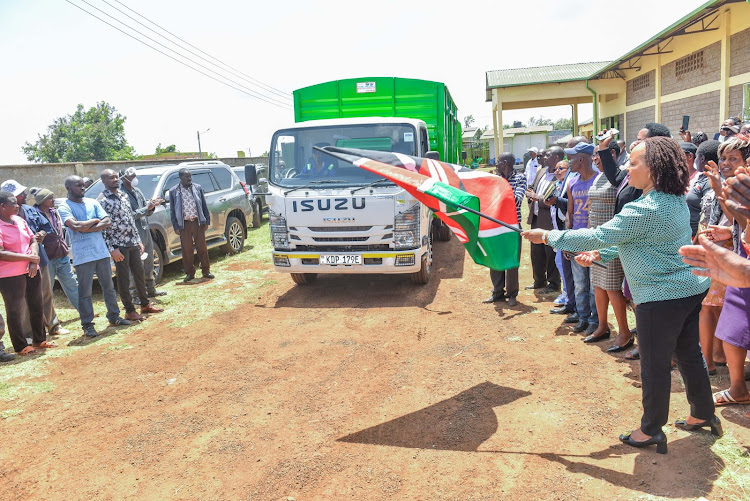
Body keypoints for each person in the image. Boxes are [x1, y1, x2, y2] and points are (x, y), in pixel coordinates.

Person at [522, 136, 719, 454]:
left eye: (634, 162)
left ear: (653, 169)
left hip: (661, 296)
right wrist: (600, 254)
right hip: (687, 290)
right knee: (688, 353)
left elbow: (598, 233)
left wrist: (547, 235)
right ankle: (703, 414)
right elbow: (636, 241)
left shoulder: (646, 208)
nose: (627, 166)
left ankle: (651, 429)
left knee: (654, 365)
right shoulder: (672, 200)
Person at [706, 135, 750, 406]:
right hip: (739, 262)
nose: (726, 163)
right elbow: (737, 219)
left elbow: (739, 217)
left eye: (733, 158)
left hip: (742, 260)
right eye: (724, 158)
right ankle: (737, 389)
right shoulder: (733, 187)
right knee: (732, 329)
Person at [58, 176, 131, 338]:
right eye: (78, 185)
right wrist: (94, 222)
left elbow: (107, 222)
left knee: (109, 287)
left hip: (101, 252)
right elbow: (75, 226)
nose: (83, 188)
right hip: (83, 256)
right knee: (85, 292)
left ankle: (114, 317)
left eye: (83, 185)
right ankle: (88, 325)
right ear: (68, 188)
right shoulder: (64, 207)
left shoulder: (93, 202)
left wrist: (86, 226)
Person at [0, 180, 67, 337]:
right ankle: (29, 334)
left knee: (44, 294)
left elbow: (45, 227)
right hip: (16, 267)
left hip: (38, 260)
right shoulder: (6, 219)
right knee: (22, 302)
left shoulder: (30, 210)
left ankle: (53, 325)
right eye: (20, 194)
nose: (24, 195)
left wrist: (41, 235)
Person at [97, 170, 164, 321]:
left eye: (115, 177)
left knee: (139, 274)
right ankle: (129, 310)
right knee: (124, 278)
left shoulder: (123, 195)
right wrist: (111, 249)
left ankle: (145, 304)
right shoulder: (102, 201)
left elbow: (129, 219)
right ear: (104, 181)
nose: (115, 179)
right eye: (111, 178)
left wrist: (138, 240)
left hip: (132, 242)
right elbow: (104, 228)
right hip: (119, 245)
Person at [586, 144, 631, 350]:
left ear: (613, 154)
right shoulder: (598, 177)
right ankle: (603, 326)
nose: (595, 158)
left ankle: (624, 332)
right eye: (594, 155)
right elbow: (591, 208)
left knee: (612, 286)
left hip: (612, 237)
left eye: (599, 154)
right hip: (596, 238)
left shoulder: (620, 176)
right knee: (597, 284)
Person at [0, 190, 53, 356]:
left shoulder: (19, 220)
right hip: (10, 275)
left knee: (36, 303)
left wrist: (33, 259)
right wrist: (27, 257)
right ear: (2, 206)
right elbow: (1, 253)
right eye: (13, 203)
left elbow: (32, 239)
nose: (17, 205)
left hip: (31, 269)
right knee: (15, 309)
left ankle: (39, 339)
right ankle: (20, 345)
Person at [563, 142, 599, 333]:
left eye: (571, 158)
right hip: (576, 239)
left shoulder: (599, 180)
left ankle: (595, 320)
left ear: (581, 159)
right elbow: (570, 212)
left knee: (594, 286)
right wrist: (568, 237)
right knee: (580, 284)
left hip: (593, 241)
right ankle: (583, 317)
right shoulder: (572, 182)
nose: (568, 162)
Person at [483, 152, 526, 307]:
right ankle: (497, 292)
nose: (496, 165)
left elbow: (516, 200)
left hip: (512, 227)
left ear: (506, 163)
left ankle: (512, 293)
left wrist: (498, 200)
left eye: (499, 162)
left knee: (512, 261)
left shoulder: (520, 178)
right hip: (495, 225)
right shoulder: (496, 179)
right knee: (495, 259)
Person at [119, 167, 166, 301]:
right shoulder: (122, 194)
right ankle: (134, 294)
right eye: (132, 176)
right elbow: (130, 215)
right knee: (135, 265)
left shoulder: (137, 191)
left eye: (135, 175)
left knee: (149, 261)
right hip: (134, 234)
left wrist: (152, 206)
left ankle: (150, 289)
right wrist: (147, 208)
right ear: (124, 179)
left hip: (145, 231)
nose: (135, 179)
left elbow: (145, 209)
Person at [34, 188, 80, 312]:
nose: (53, 200)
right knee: (47, 290)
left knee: (72, 284)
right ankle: (49, 320)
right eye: (50, 198)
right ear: (42, 201)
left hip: (62, 254)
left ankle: (84, 311)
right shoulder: (35, 215)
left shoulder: (55, 212)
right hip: (47, 258)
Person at [525, 147, 562, 294]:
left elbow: (552, 199)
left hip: (549, 221)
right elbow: (534, 188)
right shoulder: (541, 171)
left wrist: (537, 197)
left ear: (557, 158)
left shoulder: (561, 176)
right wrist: (530, 194)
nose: (543, 157)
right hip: (536, 217)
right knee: (536, 252)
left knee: (550, 254)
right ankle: (539, 280)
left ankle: (553, 283)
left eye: (548, 155)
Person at [169, 168, 214, 282]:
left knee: (202, 247)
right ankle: (189, 273)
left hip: (197, 222)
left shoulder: (197, 188)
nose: (189, 178)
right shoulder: (174, 191)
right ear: (180, 178)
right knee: (187, 250)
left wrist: (206, 221)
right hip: (184, 225)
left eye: (190, 176)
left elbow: (204, 205)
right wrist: (176, 226)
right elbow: (172, 211)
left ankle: (206, 270)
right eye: (186, 176)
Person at [686, 140, 720, 237]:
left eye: (696, 157)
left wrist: (698, 241)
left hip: (699, 236)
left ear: (702, 158)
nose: (695, 160)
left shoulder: (711, 182)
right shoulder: (703, 178)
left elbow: (707, 215)